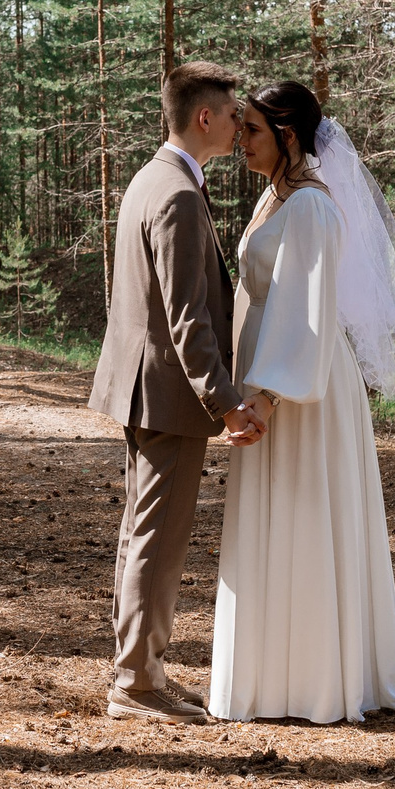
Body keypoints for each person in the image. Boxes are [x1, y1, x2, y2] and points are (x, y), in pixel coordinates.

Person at [210, 79, 395, 725]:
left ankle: (318, 681)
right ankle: (274, 679)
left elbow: (307, 312)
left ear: (288, 136)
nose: (240, 141)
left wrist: (267, 397)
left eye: (252, 131)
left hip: (302, 392)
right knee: (277, 522)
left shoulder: (311, 209)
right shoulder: (275, 197)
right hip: (271, 381)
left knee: (305, 516)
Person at [88, 60, 265, 724]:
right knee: (158, 537)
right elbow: (187, 317)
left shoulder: (152, 177)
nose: (239, 125)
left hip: (143, 387)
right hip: (165, 393)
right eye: (233, 114)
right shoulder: (179, 194)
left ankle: (139, 668)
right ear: (204, 116)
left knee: (142, 531)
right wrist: (226, 402)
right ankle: (136, 683)